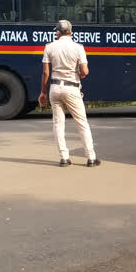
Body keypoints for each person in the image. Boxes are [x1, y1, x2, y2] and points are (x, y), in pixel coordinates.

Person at [38, 20, 101, 167]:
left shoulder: (49, 47)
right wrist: (80, 75)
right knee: (82, 123)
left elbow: (45, 72)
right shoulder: (78, 48)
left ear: (58, 32)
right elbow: (85, 71)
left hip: (54, 88)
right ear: (71, 32)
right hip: (72, 88)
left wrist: (43, 93)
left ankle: (64, 158)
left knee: (58, 124)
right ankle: (91, 158)